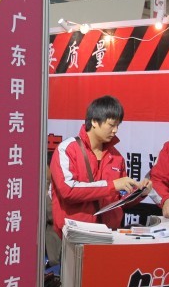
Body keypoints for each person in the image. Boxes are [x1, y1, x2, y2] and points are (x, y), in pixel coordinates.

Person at [50, 95, 149, 236]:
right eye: (111, 125)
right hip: (76, 235)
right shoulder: (68, 149)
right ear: (94, 121)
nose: (115, 130)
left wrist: (139, 193)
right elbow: (68, 190)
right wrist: (112, 186)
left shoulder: (117, 157)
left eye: (118, 125)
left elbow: (120, 199)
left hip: (110, 235)